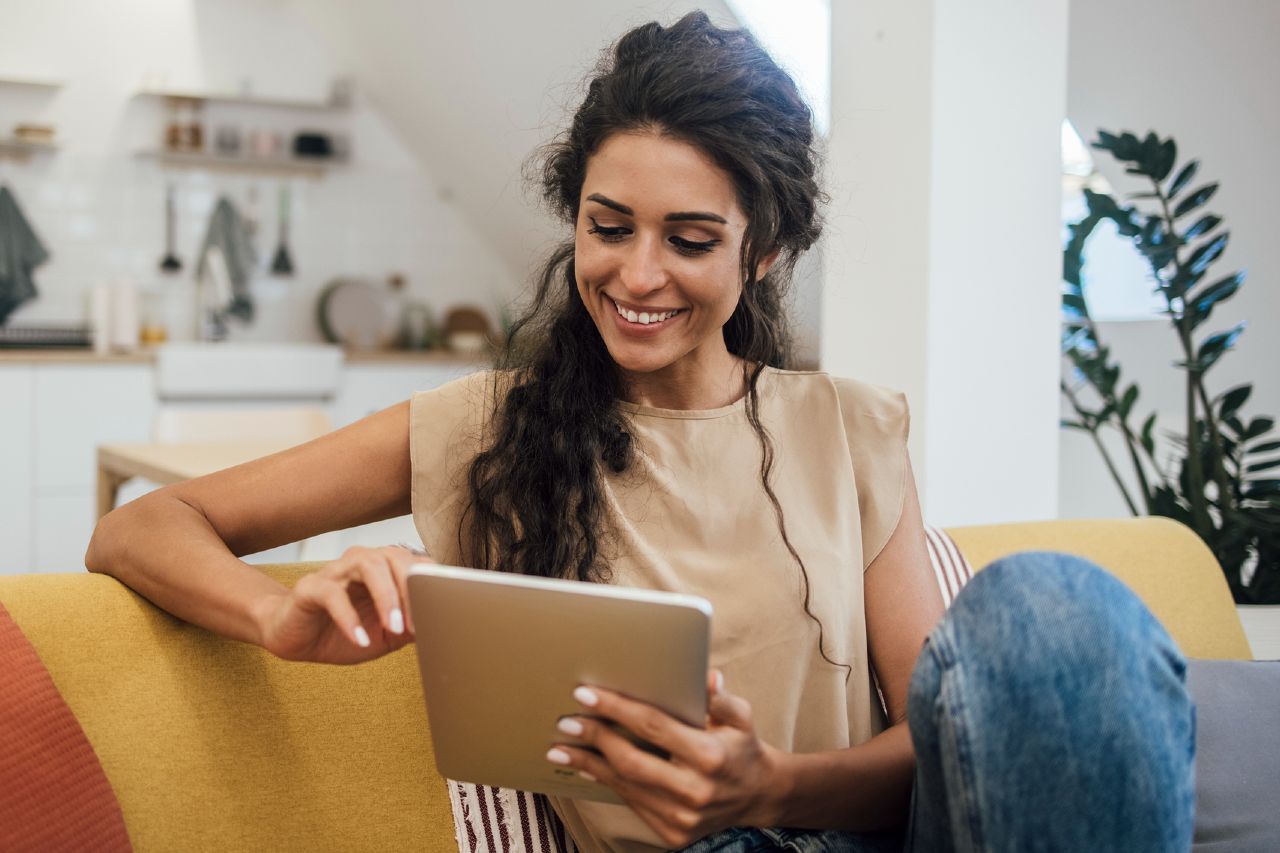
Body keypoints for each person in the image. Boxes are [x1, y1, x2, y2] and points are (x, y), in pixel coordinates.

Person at [87, 12, 1195, 853]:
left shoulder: (845, 428)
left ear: (759, 251)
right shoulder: (487, 427)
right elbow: (147, 525)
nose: (637, 275)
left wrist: (773, 785)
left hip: (867, 833)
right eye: (606, 227)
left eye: (690, 238)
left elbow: (935, 750)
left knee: (1050, 603)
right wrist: (276, 614)